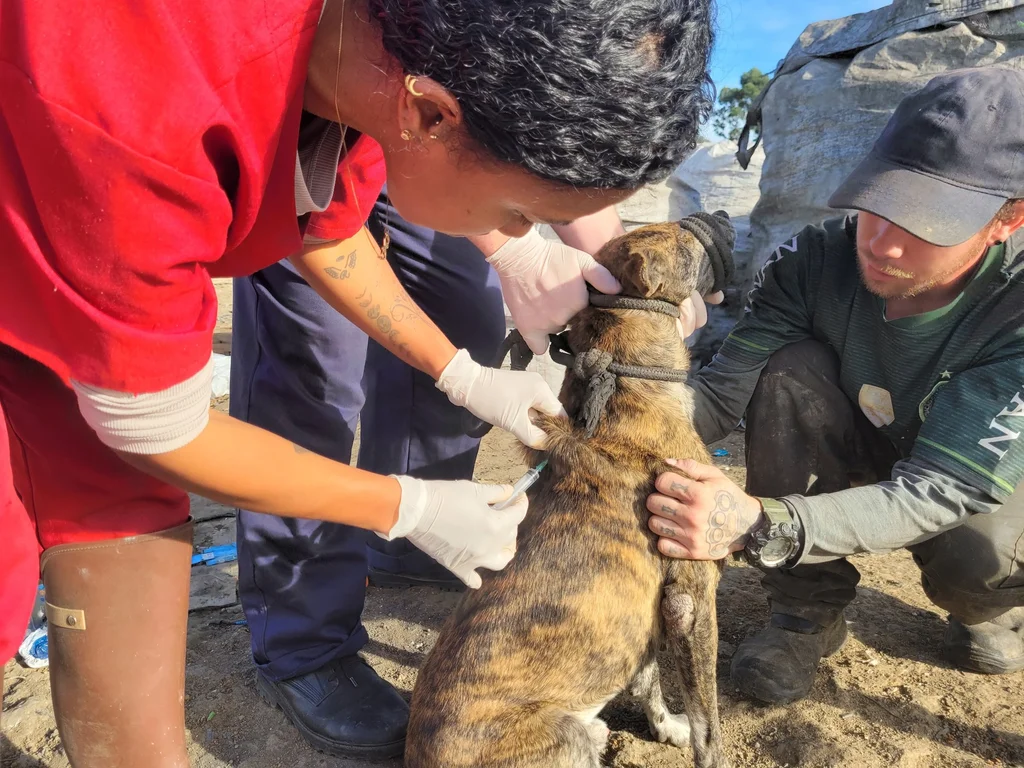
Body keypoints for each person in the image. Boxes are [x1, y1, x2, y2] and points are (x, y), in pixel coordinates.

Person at [0, 0, 715, 763]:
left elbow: (328, 227)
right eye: (518, 213)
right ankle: (298, 646)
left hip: (66, 242)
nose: (509, 238)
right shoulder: (147, 108)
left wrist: (462, 374)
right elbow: (152, 425)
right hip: (54, 204)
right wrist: (407, 505)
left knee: (116, 504)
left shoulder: (376, 67)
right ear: (432, 117)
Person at [646, 67, 1024, 705]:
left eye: (929, 221)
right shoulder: (816, 260)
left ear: (1007, 220)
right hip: (865, 436)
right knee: (788, 369)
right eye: (879, 203)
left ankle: (990, 610)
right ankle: (807, 612)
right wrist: (593, 427)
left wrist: (762, 523)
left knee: (978, 560)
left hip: (971, 471)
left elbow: (944, 486)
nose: (882, 244)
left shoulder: (1013, 308)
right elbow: (717, 398)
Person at [232, 178, 630, 756]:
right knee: (313, 366)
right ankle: (301, 638)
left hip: (437, 151)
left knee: (463, 316)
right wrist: (510, 249)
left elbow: (569, 166)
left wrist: (617, 272)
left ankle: (405, 549)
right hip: (321, 153)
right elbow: (320, 228)